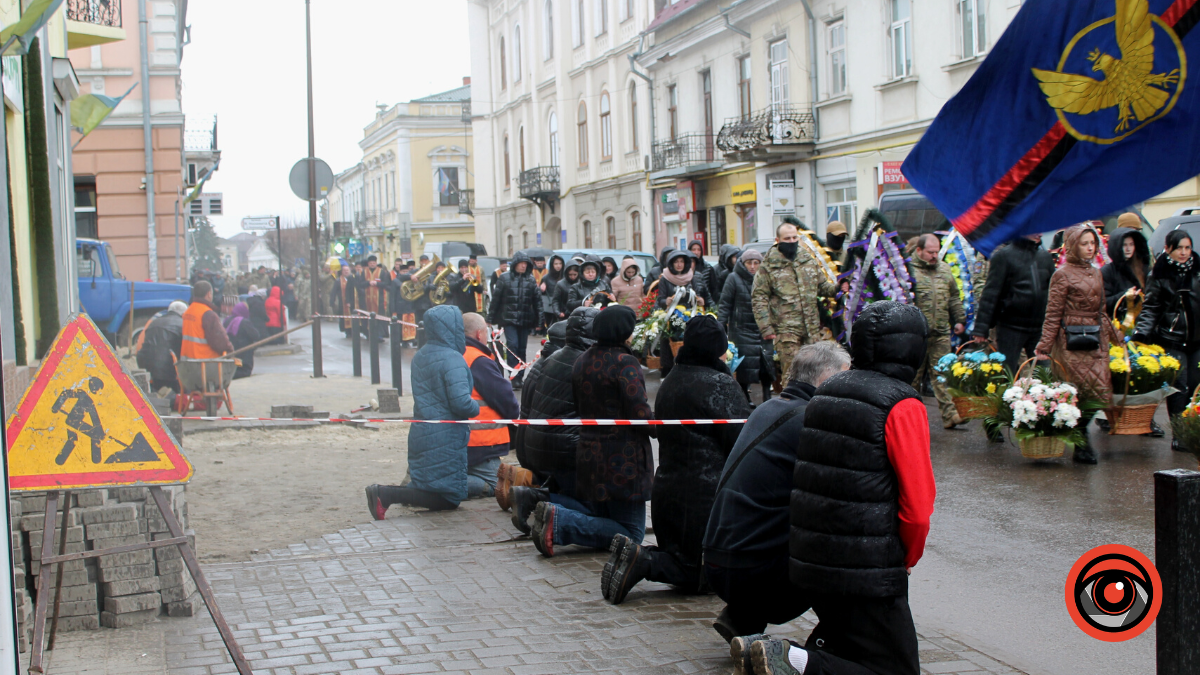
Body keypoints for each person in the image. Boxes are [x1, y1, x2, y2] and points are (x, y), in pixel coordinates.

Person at [745, 301, 934, 675]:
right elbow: (917, 506)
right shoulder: (902, 403)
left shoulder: (828, 389)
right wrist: (907, 558)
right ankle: (788, 659)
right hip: (868, 568)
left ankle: (785, 658)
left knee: (848, 649)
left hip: (813, 557)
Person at [704, 342, 851, 649]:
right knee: (841, 545)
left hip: (718, 558)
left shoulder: (769, 408)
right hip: (751, 571)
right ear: (826, 379)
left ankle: (743, 617)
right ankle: (830, 648)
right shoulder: (812, 421)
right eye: (845, 378)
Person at [603, 315, 750, 604]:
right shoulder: (719, 383)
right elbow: (740, 440)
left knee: (681, 554)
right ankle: (643, 560)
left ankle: (641, 556)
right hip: (704, 498)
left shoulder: (671, 379)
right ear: (718, 348)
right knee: (699, 573)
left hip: (668, 490)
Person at [528, 305, 654, 557]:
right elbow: (640, 413)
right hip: (624, 460)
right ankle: (560, 523)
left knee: (604, 516)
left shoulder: (583, 359)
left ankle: (555, 514)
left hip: (590, 452)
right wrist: (665, 428)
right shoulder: (625, 362)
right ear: (623, 331)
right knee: (632, 534)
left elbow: (579, 405)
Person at [365, 305, 480, 515]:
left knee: (433, 488)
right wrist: (475, 407)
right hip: (445, 435)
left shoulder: (421, 355)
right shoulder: (453, 358)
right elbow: (461, 403)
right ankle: (384, 494)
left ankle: (386, 494)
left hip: (422, 429)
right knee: (448, 497)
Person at [509, 308, 600, 532]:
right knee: (594, 509)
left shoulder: (550, 359)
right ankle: (536, 499)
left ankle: (537, 493)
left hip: (536, 445)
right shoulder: (584, 363)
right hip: (561, 450)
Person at [1035, 224, 1117, 465]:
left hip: (1095, 340)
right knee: (1078, 393)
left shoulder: (1096, 272)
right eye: (1084, 243)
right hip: (1071, 341)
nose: (1090, 248)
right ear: (1073, 246)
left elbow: (1102, 310)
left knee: (1100, 393)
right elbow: (1053, 313)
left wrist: (1115, 336)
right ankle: (1081, 443)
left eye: (1093, 243)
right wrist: (1045, 345)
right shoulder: (1061, 274)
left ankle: (1079, 435)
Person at [751, 222, 837, 387]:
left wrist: (838, 288)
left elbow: (822, 287)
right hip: (786, 330)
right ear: (778, 240)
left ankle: (812, 402)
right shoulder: (769, 266)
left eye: (794, 238)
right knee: (792, 374)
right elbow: (759, 297)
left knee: (814, 373)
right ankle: (790, 402)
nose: (791, 242)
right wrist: (766, 327)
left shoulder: (807, 260)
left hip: (811, 329)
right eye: (787, 239)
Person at [1135, 229, 1200, 448]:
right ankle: (1180, 435)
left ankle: (1193, 431)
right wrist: (1141, 332)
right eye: (1179, 248)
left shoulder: (1197, 270)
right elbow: (1151, 307)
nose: (1184, 253)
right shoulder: (1160, 273)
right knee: (1179, 388)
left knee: (1195, 385)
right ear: (1168, 249)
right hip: (1172, 338)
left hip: (1196, 339)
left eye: (1187, 248)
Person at [501, 318, 568, 512]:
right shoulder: (557, 367)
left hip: (528, 443)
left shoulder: (543, 363)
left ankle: (532, 487)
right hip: (539, 448)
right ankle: (532, 495)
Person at [908, 234, 968, 429]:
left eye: (936, 252)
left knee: (942, 374)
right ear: (919, 250)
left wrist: (959, 319)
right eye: (930, 252)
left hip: (941, 332)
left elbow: (954, 297)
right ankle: (909, 417)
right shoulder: (908, 270)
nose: (934, 256)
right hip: (916, 334)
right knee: (913, 378)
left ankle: (950, 414)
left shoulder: (944, 269)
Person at [972, 233, 1056, 369]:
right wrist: (981, 328)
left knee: (1043, 371)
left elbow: (1054, 292)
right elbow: (991, 293)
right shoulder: (1003, 256)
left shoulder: (1045, 257)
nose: (1040, 234)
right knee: (1007, 371)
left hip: (1039, 327)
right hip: (1011, 327)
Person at [459, 313, 521, 499]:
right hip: (482, 443)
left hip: (463, 439)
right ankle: (442, 485)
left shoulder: (457, 354)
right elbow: (506, 400)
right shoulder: (479, 360)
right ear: (479, 334)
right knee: (501, 487)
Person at [719, 248, 774, 403]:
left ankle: (767, 396)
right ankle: (744, 396)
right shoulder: (733, 278)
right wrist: (720, 326)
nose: (752, 266)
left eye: (756, 263)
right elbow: (725, 304)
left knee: (766, 364)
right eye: (749, 263)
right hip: (741, 329)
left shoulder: (766, 279)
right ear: (743, 263)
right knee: (744, 365)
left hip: (763, 328)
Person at [489, 251, 542, 388]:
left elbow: (537, 302)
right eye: (521, 263)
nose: (524, 266)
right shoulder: (504, 278)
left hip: (525, 319)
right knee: (513, 345)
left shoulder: (530, 280)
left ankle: (520, 376)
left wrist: (540, 321)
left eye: (526, 264)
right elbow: (496, 299)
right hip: (509, 319)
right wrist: (490, 318)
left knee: (522, 348)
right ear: (515, 264)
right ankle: (513, 375)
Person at [1103, 216, 1151, 318]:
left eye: (1131, 244)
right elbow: (1103, 303)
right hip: (1117, 322)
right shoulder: (1108, 271)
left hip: (1142, 321)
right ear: (1117, 245)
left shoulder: (1143, 269)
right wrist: (1125, 296)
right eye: (1124, 245)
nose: (1128, 249)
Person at [136, 301, 187, 393]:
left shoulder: (154, 322)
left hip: (146, 366)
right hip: (168, 371)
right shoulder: (183, 324)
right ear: (184, 314)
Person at [181, 280, 234, 360]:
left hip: (188, 361)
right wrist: (230, 350)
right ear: (209, 294)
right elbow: (219, 340)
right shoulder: (207, 314)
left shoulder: (188, 311)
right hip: (205, 362)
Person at [223, 302, 261, 379]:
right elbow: (256, 335)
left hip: (230, 352)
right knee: (244, 372)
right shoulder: (244, 322)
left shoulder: (227, 320)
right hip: (244, 353)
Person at [330, 264, 356, 337]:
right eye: (344, 270)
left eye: (347, 270)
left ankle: (354, 331)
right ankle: (347, 332)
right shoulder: (338, 281)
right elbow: (334, 291)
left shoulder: (353, 278)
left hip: (352, 301)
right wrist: (332, 301)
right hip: (342, 302)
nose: (346, 272)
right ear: (342, 271)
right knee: (344, 318)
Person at [541, 255, 566, 327]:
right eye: (556, 264)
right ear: (552, 265)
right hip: (549, 309)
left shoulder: (565, 277)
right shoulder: (546, 278)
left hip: (563, 308)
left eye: (560, 263)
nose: (558, 266)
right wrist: (542, 289)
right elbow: (541, 296)